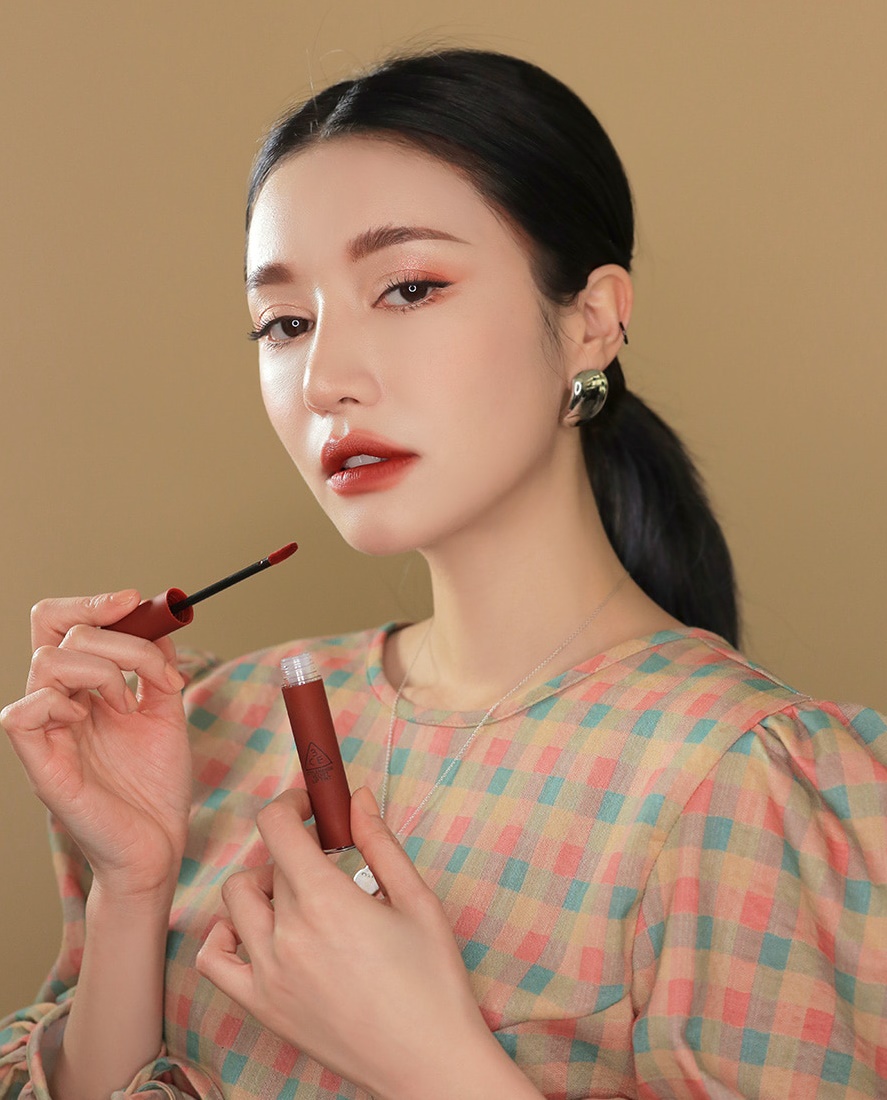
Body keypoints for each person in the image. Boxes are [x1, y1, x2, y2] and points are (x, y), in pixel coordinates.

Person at [1, 46, 885, 1100]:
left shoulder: (734, 784)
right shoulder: (216, 726)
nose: (325, 378)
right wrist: (132, 888)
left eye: (409, 287)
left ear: (591, 319)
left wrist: (434, 1062)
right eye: (285, 323)